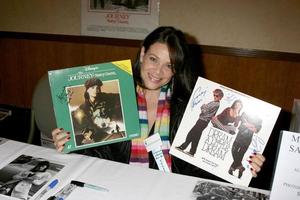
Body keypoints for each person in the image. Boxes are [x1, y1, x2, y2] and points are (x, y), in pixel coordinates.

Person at [52, 26, 265, 183]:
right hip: (116, 187)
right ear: (143, 54)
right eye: (153, 59)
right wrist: (69, 142)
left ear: (177, 70)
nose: (158, 72)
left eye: (169, 66)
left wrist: (245, 162)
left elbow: (203, 166)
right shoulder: (116, 98)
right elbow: (99, 153)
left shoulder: (188, 107)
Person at [71, 77, 123, 145]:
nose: (96, 90)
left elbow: (121, 97)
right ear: (87, 90)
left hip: (113, 129)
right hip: (98, 134)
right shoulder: (83, 107)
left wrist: (112, 115)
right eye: (92, 88)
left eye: (98, 88)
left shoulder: (107, 97)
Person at [175, 88, 224, 157]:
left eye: (217, 96)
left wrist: (203, 106)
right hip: (202, 121)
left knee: (191, 133)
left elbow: (204, 111)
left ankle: (183, 147)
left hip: (203, 121)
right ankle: (192, 152)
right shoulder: (214, 103)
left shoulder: (215, 104)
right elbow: (205, 109)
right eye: (214, 95)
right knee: (196, 136)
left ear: (220, 97)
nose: (215, 97)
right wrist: (204, 107)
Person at [228, 112, 263, 179]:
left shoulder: (259, 120)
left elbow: (255, 130)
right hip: (239, 137)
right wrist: (252, 125)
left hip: (247, 139)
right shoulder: (245, 114)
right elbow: (244, 123)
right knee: (233, 151)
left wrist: (249, 125)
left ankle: (233, 169)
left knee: (240, 155)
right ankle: (240, 167)